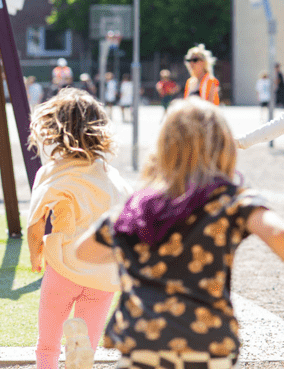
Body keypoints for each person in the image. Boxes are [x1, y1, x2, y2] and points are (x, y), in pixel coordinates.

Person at [75, 97, 284, 368]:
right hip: (207, 344)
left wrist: (133, 252)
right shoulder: (231, 201)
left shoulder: (139, 207)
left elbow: (84, 251)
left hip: (142, 343)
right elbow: (277, 233)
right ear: (223, 148)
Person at [26, 88, 132, 369]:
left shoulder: (53, 171)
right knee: (86, 344)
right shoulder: (110, 174)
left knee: (47, 345)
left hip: (63, 265)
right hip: (103, 273)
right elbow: (127, 216)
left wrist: (35, 254)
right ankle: (80, 353)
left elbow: (36, 220)